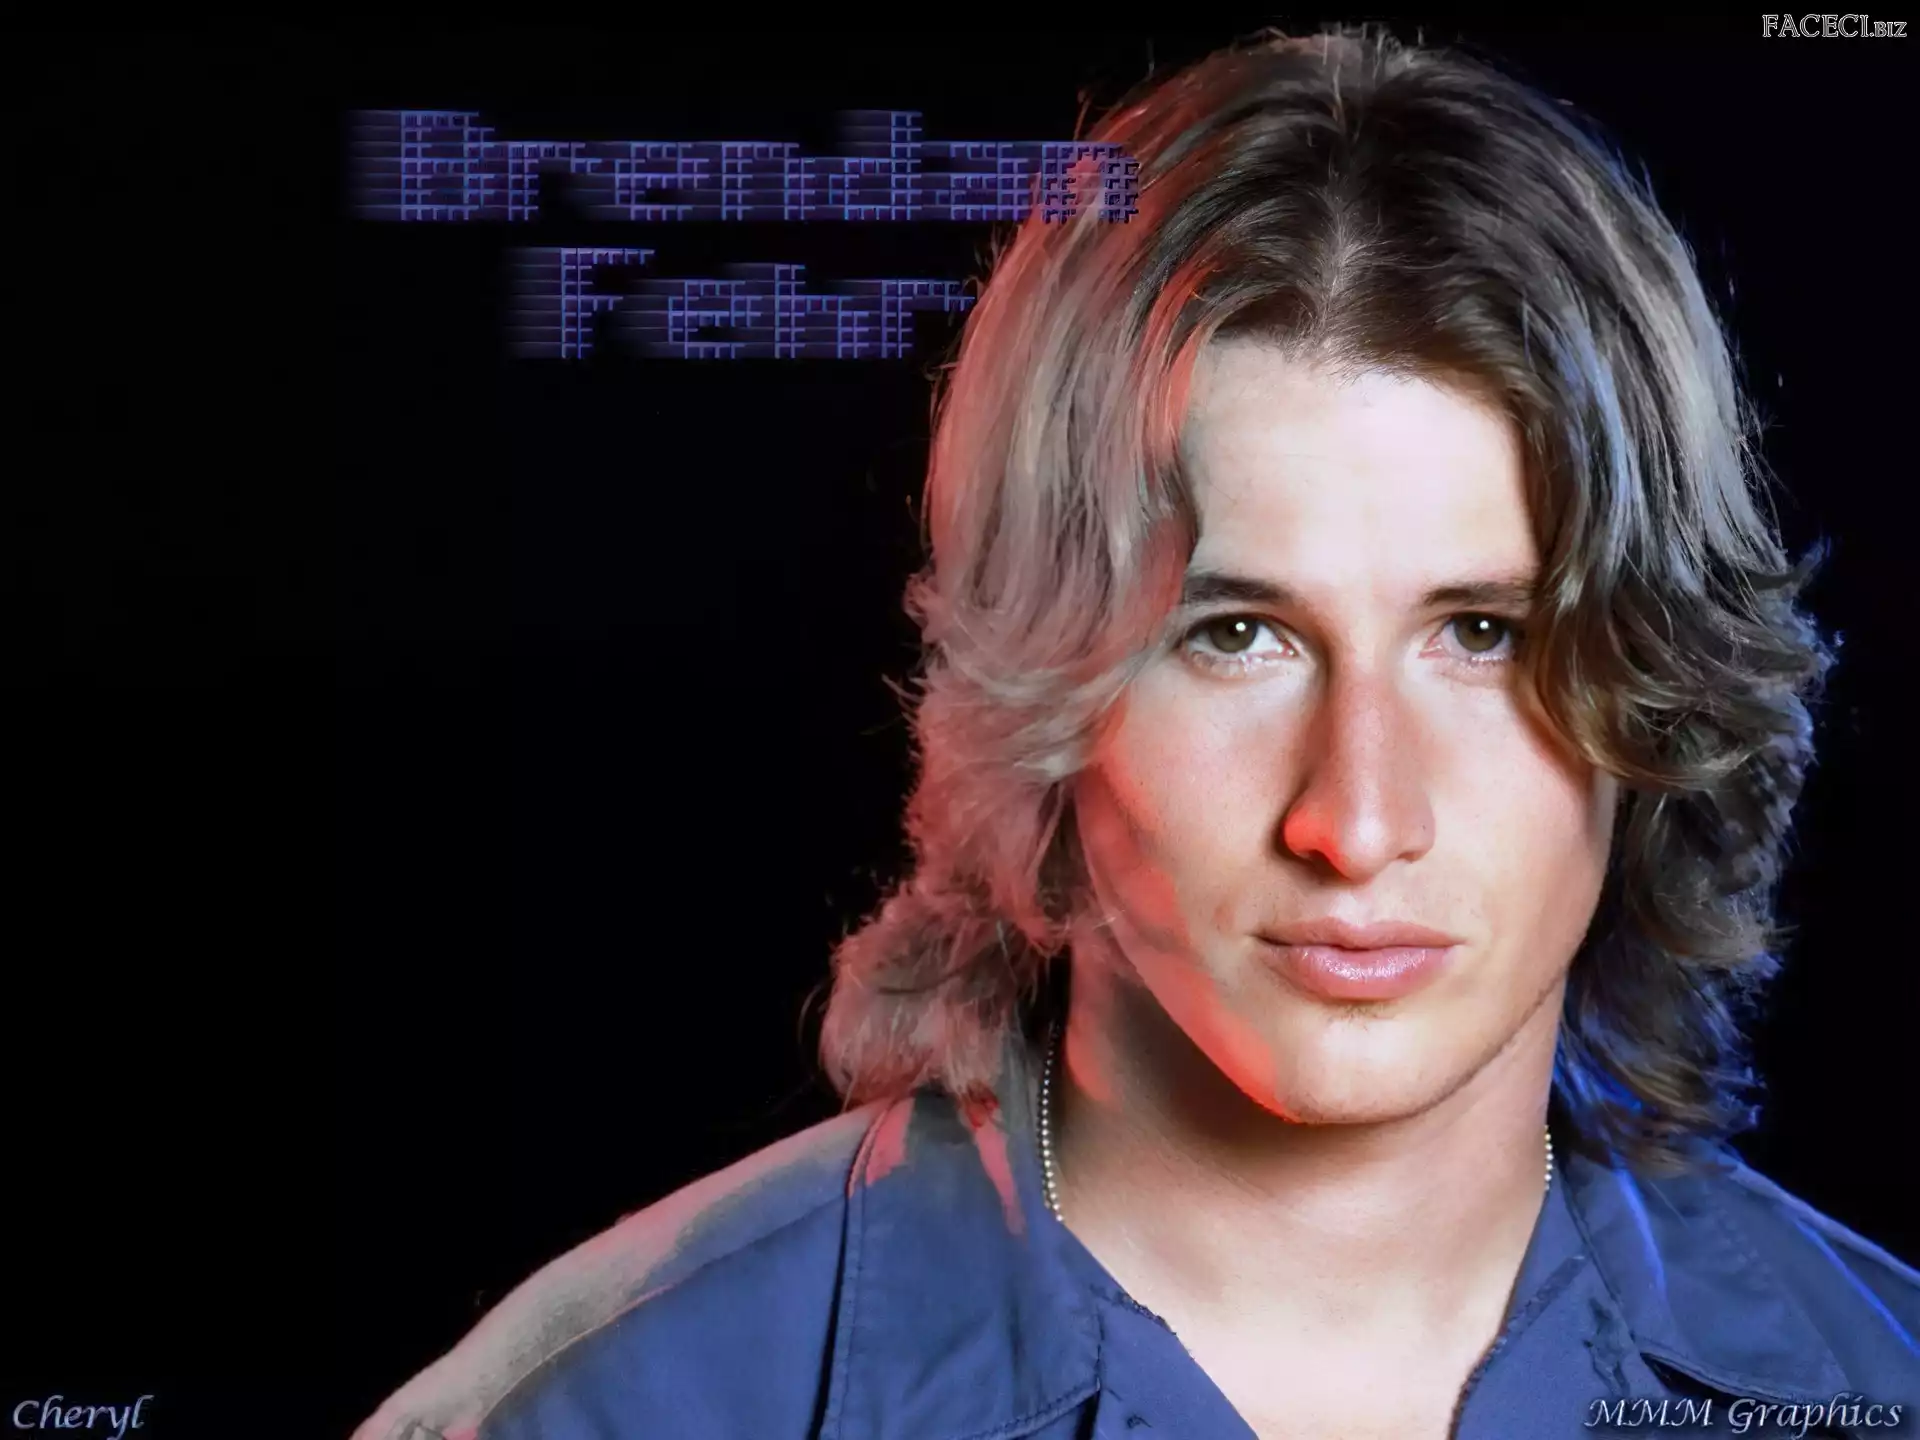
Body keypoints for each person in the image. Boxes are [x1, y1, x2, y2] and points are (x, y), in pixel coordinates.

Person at [351, 26, 1917, 1440]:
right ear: (1044, 687)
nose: (1358, 821)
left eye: (1483, 635)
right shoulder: (603, 1413)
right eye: (1235, 635)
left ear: (1658, 693)